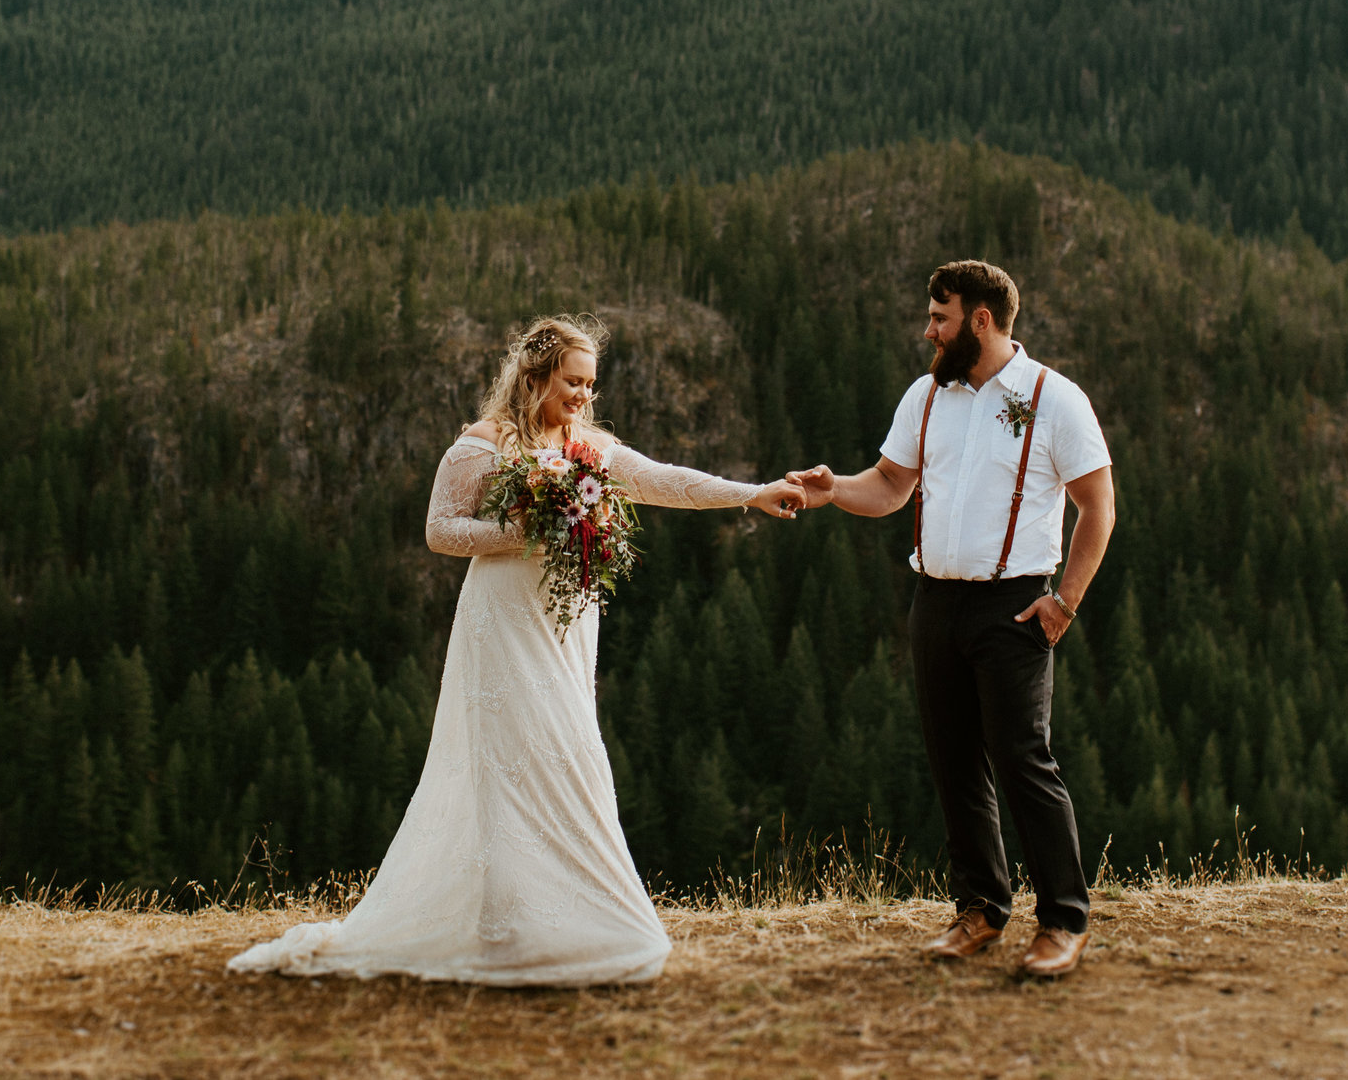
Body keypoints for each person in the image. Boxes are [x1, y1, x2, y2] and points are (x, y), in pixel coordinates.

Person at [227, 314, 806, 986]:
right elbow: (441, 530)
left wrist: (752, 494)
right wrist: (525, 529)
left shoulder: (588, 447)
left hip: (565, 626)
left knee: (571, 754)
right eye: (573, 382)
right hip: (501, 622)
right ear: (536, 376)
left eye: (591, 384)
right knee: (511, 766)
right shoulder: (481, 444)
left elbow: (666, 480)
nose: (585, 396)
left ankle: (562, 921)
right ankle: (507, 931)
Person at [790, 260, 1115, 978]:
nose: (927, 329)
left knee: (1024, 759)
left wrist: (1064, 602)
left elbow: (1099, 505)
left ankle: (1063, 919)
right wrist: (828, 490)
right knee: (953, 760)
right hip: (934, 602)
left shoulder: (1052, 397)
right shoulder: (926, 396)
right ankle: (981, 908)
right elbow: (887, 486)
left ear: (980, 320)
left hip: (1016, 604)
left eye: (939, 317)